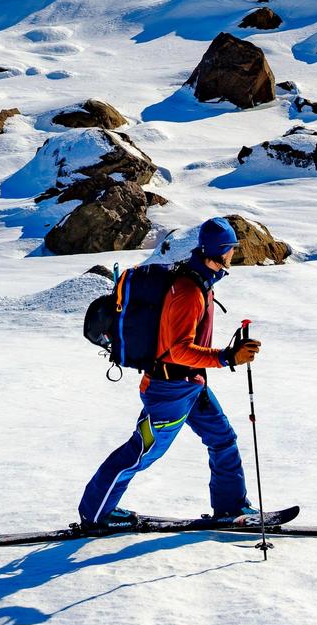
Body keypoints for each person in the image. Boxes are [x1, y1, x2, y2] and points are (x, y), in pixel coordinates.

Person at [76, 217, 263, 529]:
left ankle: (230, 507)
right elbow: (177, 349)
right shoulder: (189, 291)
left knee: (222, 439)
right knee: (141, 452)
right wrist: (228, 357)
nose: (233, 255)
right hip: (169, 391)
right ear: (221, 251)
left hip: (192, 385)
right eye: (231, 249)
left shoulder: (201, 281)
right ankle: (95, 515)